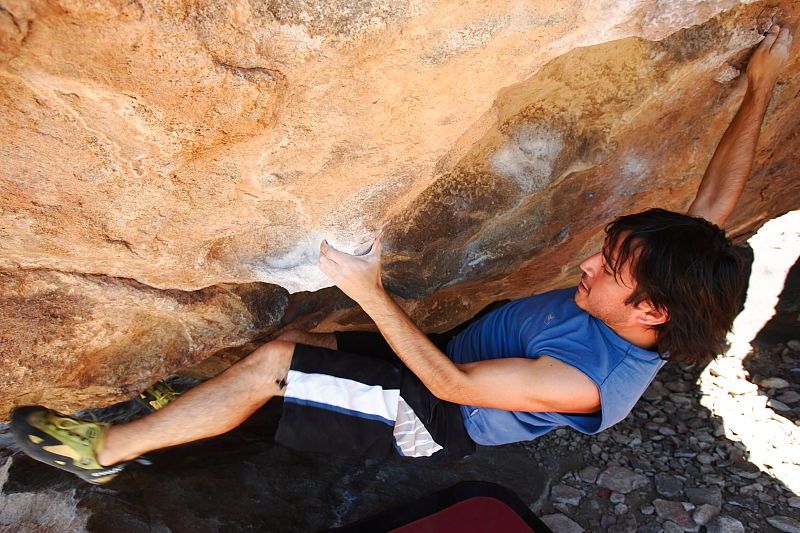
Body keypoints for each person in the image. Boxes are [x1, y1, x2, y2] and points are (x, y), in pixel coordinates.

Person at [11, 25, 793, 484]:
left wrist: (367, 286)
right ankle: (188, 411)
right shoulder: (672, 280)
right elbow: (714, 208)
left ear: (649, 310)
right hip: (453, 362)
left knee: (272, 365)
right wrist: (761, 87)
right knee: (283, 345)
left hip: (433, 411)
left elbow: (450, 383)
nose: (586, 264)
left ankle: (102, 452)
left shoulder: (592, 381)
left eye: (607, 270)